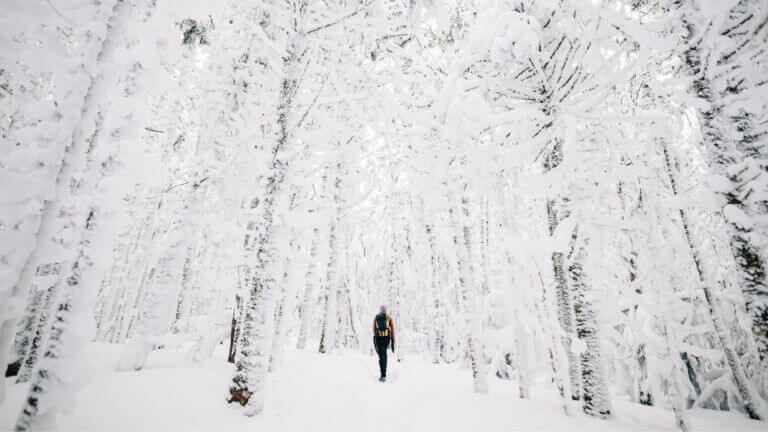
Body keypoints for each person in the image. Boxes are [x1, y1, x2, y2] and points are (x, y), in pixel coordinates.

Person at [373, 305, 395, 382]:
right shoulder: (389, 318)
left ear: (380, 311)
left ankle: (383, 375)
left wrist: (375, 338)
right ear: (386, 311)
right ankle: (384, 373)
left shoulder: (376, 318)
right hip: (386, 338)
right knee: (384, 354)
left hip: (378, 338)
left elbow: (374, 330)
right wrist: (392, 343)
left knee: (381, 356)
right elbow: (392, 330)